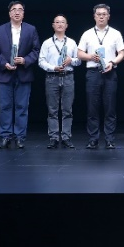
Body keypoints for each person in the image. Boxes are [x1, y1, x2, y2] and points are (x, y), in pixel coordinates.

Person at [0, 1, 41, 150]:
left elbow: (36, 50)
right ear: (9, 13)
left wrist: (25, 60)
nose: (17, 12)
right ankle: (5, 136)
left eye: (20, 10)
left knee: (22, 107)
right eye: (14, 9)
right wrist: (4, 63)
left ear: (23, 13)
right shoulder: (0, 29)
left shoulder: (31, 29)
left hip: (24, 73)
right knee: (5, 106)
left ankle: (20, 137)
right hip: (5, 73)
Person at [77, 4, 124, 149]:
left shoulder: (115, 33)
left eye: (104, 14)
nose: (101, 17)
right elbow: (79, 53)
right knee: (92, 108)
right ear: (94, 16)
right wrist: (90, 57)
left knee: (110, 108)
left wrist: (113, 62)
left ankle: (109, 139)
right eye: (98, 14)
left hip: (110, 72)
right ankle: (93, 139)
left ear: (108, 16)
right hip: (93, 73)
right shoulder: (87, 34)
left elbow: (122, 53)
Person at [38, 14, 81, 148]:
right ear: (53, 25)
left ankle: (66, 137)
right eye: (57, 22)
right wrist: (53, 68)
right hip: (52, 77)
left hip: (68, 76)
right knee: (52, 110)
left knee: (67, 109)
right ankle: (54, 137)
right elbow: (41, 61)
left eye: (62, 22)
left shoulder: (72, 42)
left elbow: (79, 60)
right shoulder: (47, 43)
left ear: (66, 26)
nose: (60, 24)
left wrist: (71, 60)